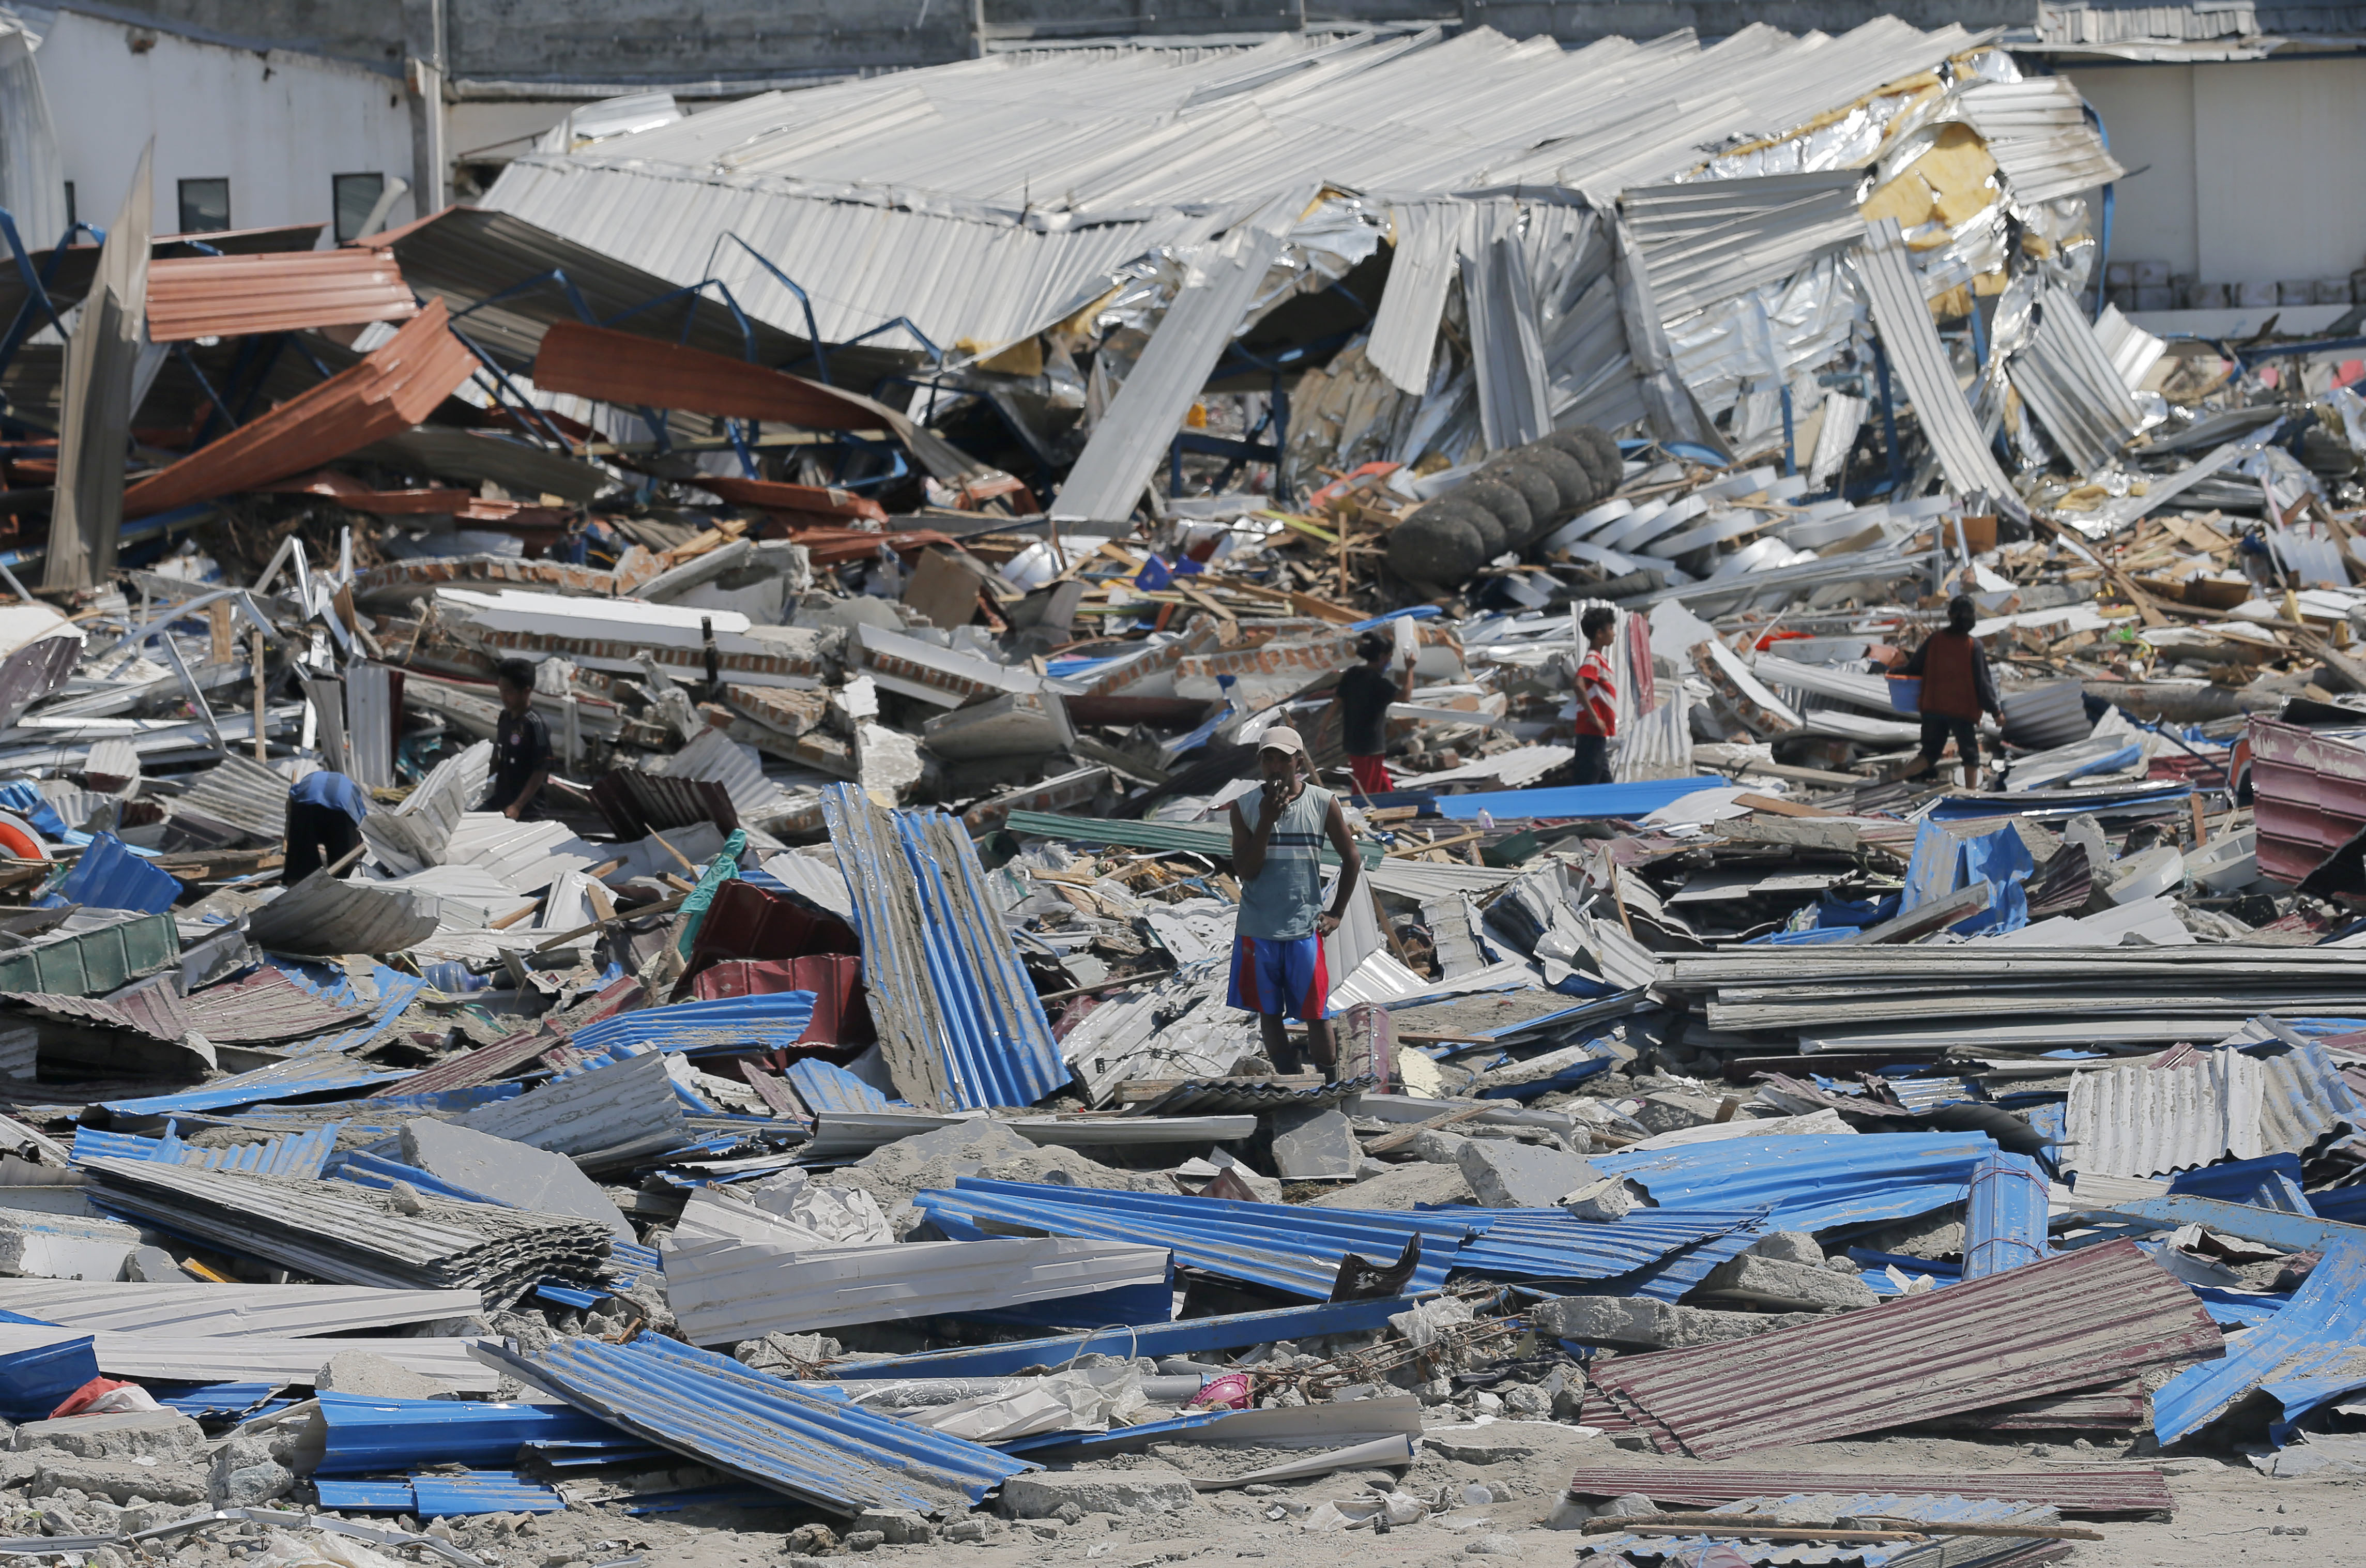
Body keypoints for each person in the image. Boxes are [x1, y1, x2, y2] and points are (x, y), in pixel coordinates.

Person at [1227, 725, 1363, 1080]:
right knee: (1268, 1013)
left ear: (1298, 762)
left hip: (1304, 926)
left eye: (1282, 759)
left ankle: (1328, 1084)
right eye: (1268, 759)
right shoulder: (1244, 807)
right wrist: (1267, 822)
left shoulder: (1321, 802)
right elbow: (1245, 870)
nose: (1275, 766)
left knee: (1315, 1013)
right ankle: (1290, 1081)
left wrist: (1336, 912)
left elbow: (1352, 859)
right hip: (1258, 928)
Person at [1903, 594, 2001, 789]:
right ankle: (1972, 795)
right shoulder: (1973, 646)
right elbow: (1983, 683)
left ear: (1949, 615)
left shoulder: (1935, 640)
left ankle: (1895, 778)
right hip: (1961, 711)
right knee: (1971, 755)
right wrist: (1996, 712)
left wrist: (1894, 673)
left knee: (1930, 753)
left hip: (1933, 708)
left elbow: (1914, 668)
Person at [1327, 630, 1412, 797]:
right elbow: (1405, 696)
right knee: (1366, 789)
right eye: (1388, 656)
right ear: (1381, 656)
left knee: (1377, 780)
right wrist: (1410, 668)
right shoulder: (1378, 682)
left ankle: (1393, 806)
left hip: (1354, 741)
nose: (1389, 661)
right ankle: (1366, 815)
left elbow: (1336, 703)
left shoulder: (1352, 674)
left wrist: (1323, 730)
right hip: (1371, 744)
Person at [486, 657, 552, 820]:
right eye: (501, 691)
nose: (503, 697)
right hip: (502, 803)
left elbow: (541, 770)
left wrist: (518, 806)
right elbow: (499, 755)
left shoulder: (535, 724)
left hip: (527, 811)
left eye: (508, 692)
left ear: (526, 691)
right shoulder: (504, 718)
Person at [283, 768, 370, 886]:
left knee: (302, 852)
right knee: (343, 857)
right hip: (340, 806)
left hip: (307, 801)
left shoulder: (310, 777)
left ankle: (300, 884)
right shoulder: (351, 789)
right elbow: (362, 821)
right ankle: (342, 885)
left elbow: (294, 794)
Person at [1571, 605, 1618, 786]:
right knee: (1588, 780)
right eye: (1611, 629)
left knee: (1604, 779)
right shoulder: (1593, 658)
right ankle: (1580, 814)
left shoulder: (1599, 659)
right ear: (1600, 633)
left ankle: (1611, 812)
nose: (1614, 633)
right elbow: (1578, 684)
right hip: (1592, 729)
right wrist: (1595, 717)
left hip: (1598, 731)